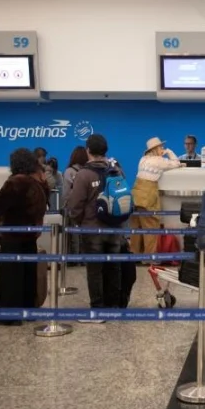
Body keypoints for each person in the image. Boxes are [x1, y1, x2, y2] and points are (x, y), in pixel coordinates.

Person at [66, 134, 135, 321]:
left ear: (88, 150)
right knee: (114, 267)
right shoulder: (117, 170)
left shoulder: (84, 174)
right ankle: (114, 307)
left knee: (94, 270)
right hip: (115, 227)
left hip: (92, 228)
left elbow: (75, 205)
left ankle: (97, 309)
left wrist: (79, 221)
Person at [0, 148, 48, 326]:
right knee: (28, 275)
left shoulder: (15, 182)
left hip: (12, 236)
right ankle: (28, 310)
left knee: (11, 276)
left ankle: (10, 316)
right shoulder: (39, 182)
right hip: (31, 236)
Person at [129, 137, 181, 254]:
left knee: (136, 227)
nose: (162, 149)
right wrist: (169, 152)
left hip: (136, 195)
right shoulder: (159, 161)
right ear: (156, 149)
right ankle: (149, 258)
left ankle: (134, 255)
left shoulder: (143, 159)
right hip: (148, 196)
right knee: (151, 226)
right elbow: (176, 163)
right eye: (161, 147)